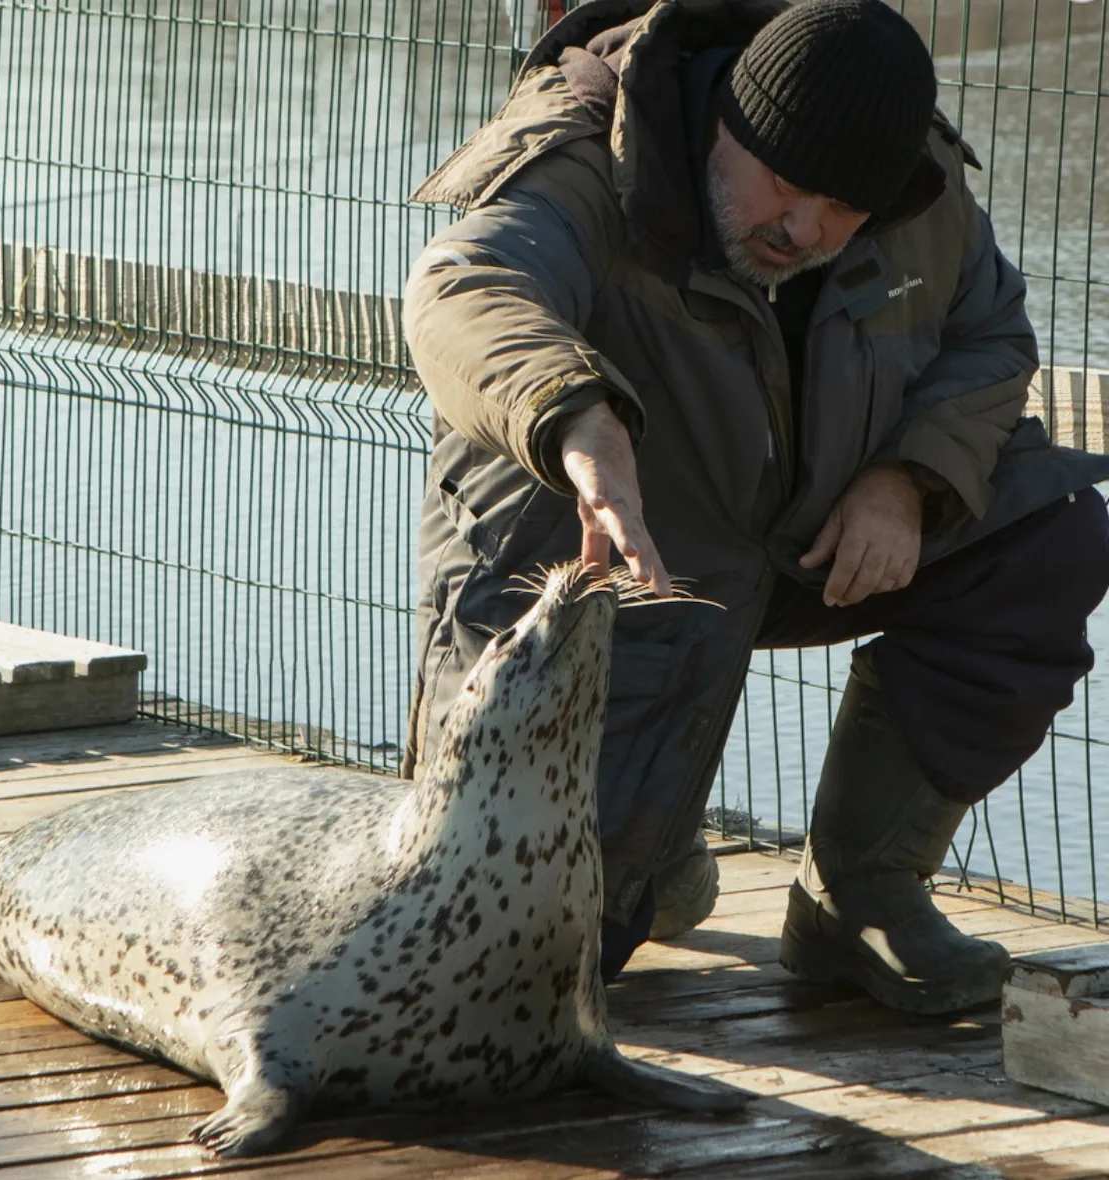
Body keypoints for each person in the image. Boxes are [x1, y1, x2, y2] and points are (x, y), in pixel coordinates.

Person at [399, 0, 1109, 1015]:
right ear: (728, 117)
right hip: (594, 561)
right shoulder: (585, 159)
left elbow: (991, 335)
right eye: (787, 185)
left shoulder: (917, 184)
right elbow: (462, 289)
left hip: (793, 539)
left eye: (843, 209)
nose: (807, 228)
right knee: (515, 974)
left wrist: (909, 478)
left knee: (1051, 535)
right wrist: (577, 418)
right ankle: (652, 856)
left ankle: (858, 898)